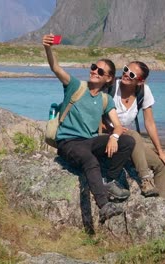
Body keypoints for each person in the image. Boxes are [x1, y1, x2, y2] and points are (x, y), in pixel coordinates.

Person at [42, 34, 135, 223]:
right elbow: (55, 68)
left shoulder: (105, 99)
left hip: (90, 141)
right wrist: (48, 48)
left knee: (128, 141)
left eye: (100, 71)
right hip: (69, 142)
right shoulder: (75, 86)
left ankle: (108, 181)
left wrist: (114, 137)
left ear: (108, 79)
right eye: (94, 67)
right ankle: (104, 206)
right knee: (89, 160)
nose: (94, 72)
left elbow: (118, 126)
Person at [107, 61, 165, 199]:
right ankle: (145, 180)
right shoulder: (111, 87)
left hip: (128, 140)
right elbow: (95, 115)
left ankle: (160, 206)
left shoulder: (144, 91)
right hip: (107, 136)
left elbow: (149, 123)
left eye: (131, 74)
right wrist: (113, 129)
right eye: (125, 69)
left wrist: (160, 151)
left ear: (140, 81)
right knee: (134, 135)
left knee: (163, 165)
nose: (125, 74)